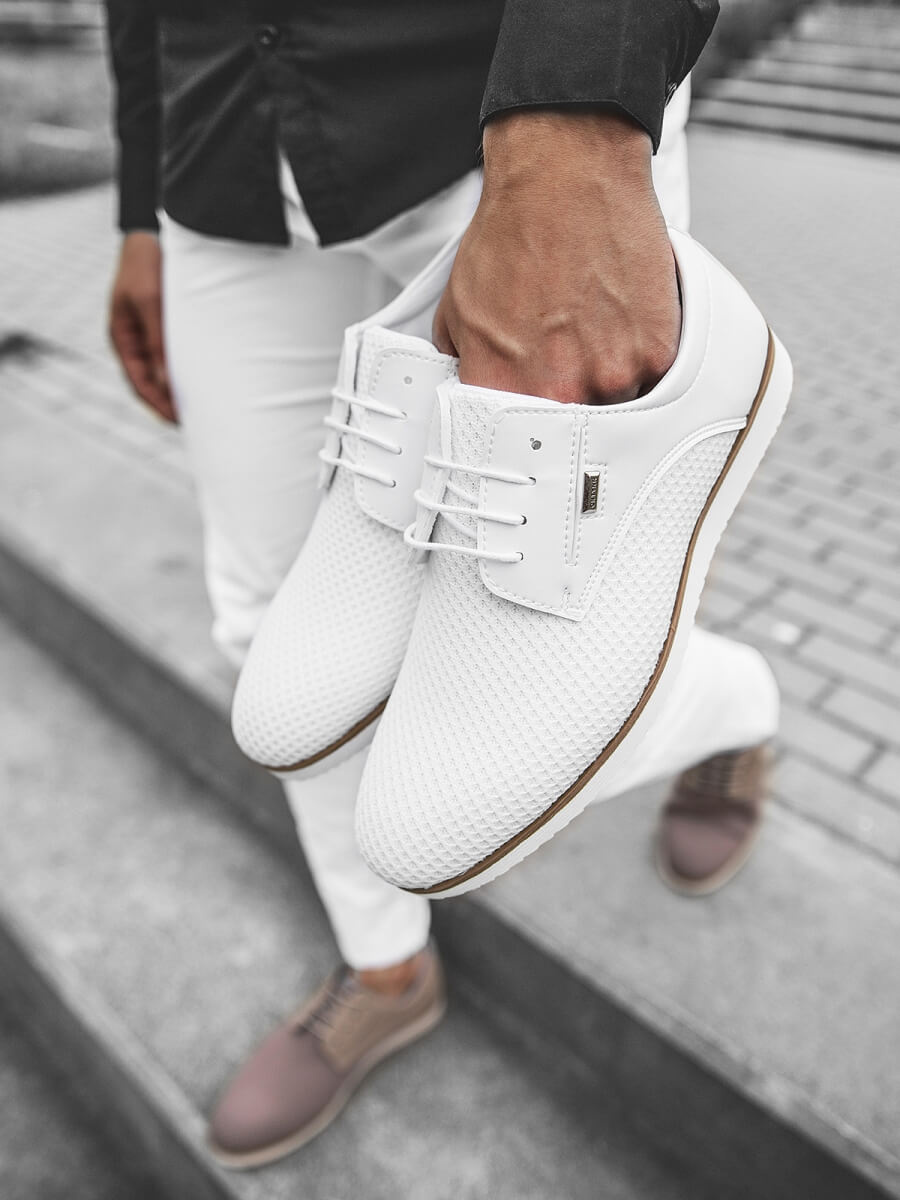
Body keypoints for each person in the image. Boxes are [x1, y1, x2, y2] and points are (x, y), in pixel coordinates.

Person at [104, 0, 779, 1167]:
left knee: (556, 666)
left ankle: (737, 707)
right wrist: (136, 206)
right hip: (221, 150)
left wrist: (579, 110)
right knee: (269, 630)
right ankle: (386, 967)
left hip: (498, 102)